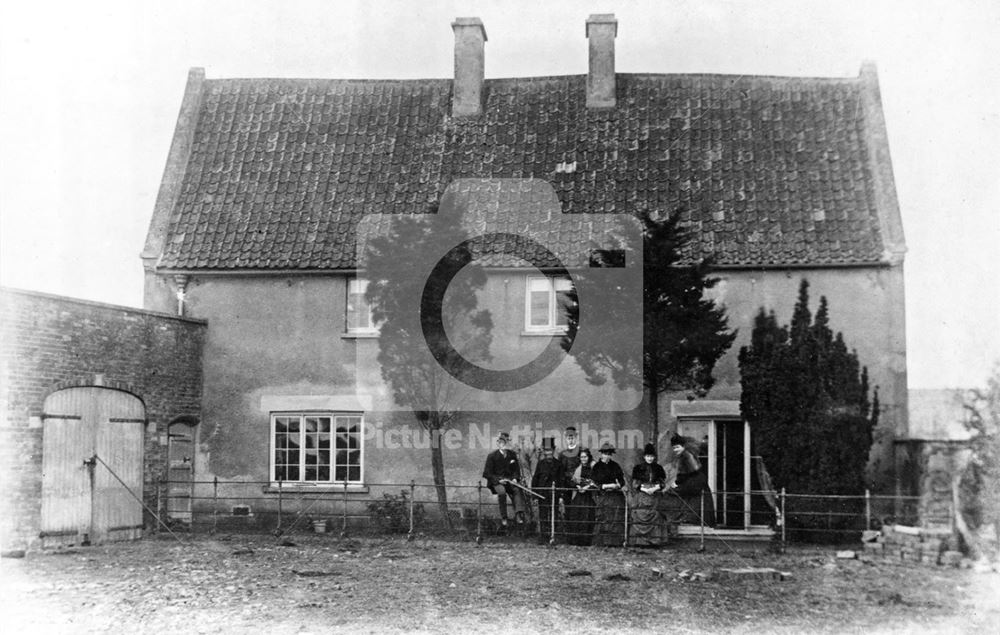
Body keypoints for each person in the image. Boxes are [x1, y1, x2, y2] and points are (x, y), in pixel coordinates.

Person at [663, 433, 716, 531]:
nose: (676, 450)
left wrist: (676, 483)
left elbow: (687, 472)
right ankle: (687, 518)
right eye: (674, 448)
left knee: (672, 493)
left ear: (683, 446)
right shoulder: (686, 454)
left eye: (677, 447)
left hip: (694, 480)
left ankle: (682, 518)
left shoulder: (686, 455)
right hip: (694, 479)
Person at [482, 432, 527, 527]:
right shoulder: (492, 456)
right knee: (502, 491)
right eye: (501, 442)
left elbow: (516, 470)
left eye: (505, 442)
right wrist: (498, 480)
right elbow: (486, 473)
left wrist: (515, 478)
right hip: (496, 482)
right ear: (498, 443)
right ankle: (504, 517)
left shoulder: (512, 455)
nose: (503, 444)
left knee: (517, 489)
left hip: (509, 481)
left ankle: (518, 514)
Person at [629, 443, 669, 546]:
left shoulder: (658, 468)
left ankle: (654, 541)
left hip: (655, 496)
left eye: (651, 456)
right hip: (642, 495)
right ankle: (640, 542)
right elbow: (635, 484)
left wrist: (655, 488)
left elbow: (662, 483)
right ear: (644, 457)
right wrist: (645, 489)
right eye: (648, 456)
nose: (650, 458)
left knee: (656, 515)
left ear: (654, 457)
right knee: (640, 514)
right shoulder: (638, 468)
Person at [590, 441, 626, 547]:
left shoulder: (615, 466)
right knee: (602, 517)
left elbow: (621, 481)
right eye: (605, 454)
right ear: (601, 454)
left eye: (609, 454)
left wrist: (618, 485)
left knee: (615, 517)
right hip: (602, 495)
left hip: (615, 496)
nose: (607, 456)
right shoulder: (596, 467)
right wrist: (604, 486)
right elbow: (594, 482)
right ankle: (601, 542)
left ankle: (614, 542)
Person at [531, 437, 565, 540]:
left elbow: (562, 481)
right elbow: (535, 480)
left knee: (554, 515)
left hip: (554, 494)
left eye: (550, 450)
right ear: (544, 451)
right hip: (542, 494)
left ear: (553, 450)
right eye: (546, 450)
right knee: (543, 515)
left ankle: (552, 535)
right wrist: (535, 496)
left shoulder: (559, 464)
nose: (548, 452)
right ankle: (543, 536)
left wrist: (561, 496)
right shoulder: (540, 464)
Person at [565, 447, 597, 545]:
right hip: (579, 495)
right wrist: (577, 486)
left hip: (589, 495)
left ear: (589, 457)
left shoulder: (593, 467)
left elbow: (596, 481)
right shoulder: (578, 469)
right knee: (575, 515)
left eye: (585, 457)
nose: (583, 459)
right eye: (581, 457)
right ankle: (576, 540)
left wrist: (587, 487)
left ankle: (586, 541)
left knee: (587, 516)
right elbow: (573, 481)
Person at [557, 426, 582, 508]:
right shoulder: (562, 454)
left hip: (579, 485)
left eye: (572, 438)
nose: (571, 440)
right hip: (566, 485)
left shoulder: (582, 452)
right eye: (569, 438)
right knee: (568, 507)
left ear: (576, 438)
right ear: (566, 439)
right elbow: (559, 471)